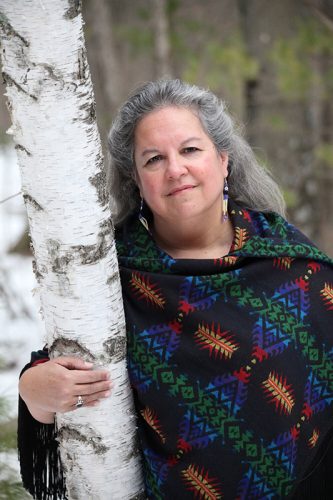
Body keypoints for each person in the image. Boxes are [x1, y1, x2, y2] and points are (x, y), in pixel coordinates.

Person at [18, 79, 333, 499]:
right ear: (136, 181)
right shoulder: (109, 275)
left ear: (223, 160)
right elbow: (58, 376)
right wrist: (34, 391)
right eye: (153, 159)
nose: (175, 169)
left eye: (190, 150)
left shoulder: (292, 267)